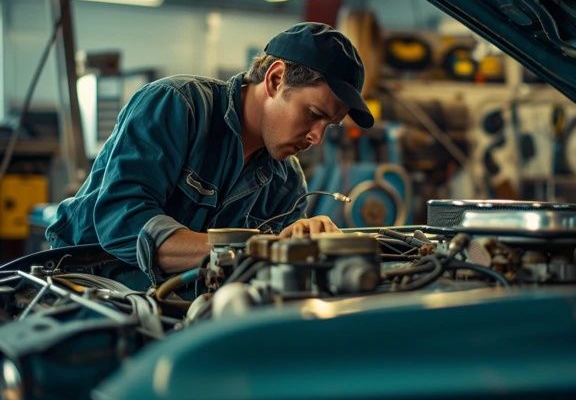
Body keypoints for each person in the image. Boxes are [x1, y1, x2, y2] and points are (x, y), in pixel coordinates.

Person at [45, 22, 374, 288]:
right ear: (275, 79)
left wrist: (300, 238)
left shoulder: (286, 181)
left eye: (328, 126)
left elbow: (274, 275)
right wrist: (251, 248)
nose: (316, 137)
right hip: (86, 288)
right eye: (313, 113)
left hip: (177, 311)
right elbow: (120, 221)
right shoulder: (178, 105)